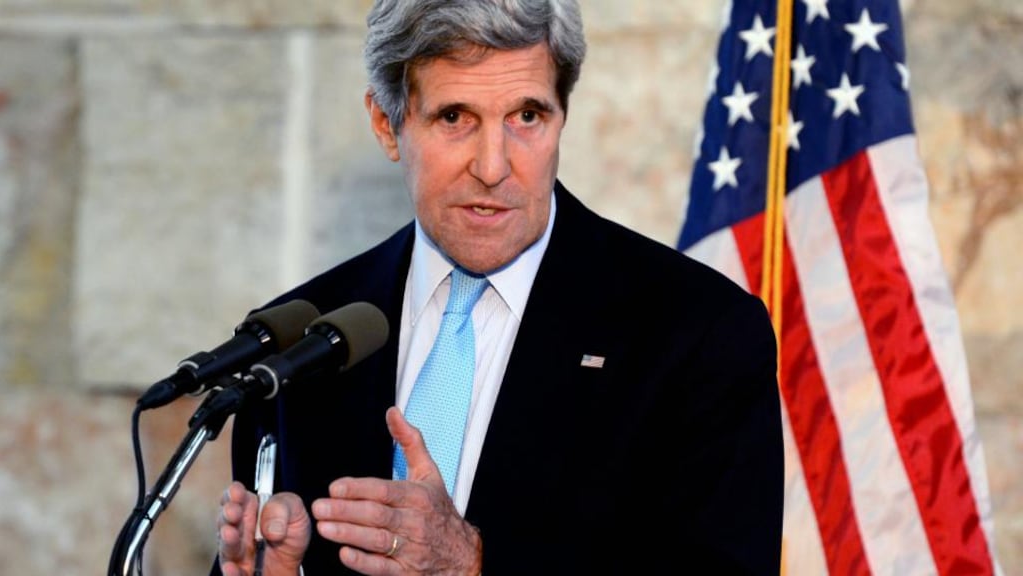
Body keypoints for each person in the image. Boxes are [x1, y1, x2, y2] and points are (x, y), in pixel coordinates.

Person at [214, 0, 784, 574]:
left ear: (563, 115)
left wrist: (475, 564)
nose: (493, 166)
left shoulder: (699, 332)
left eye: (526, 116)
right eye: (455, 118)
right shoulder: (302, 340)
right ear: (387, 125)